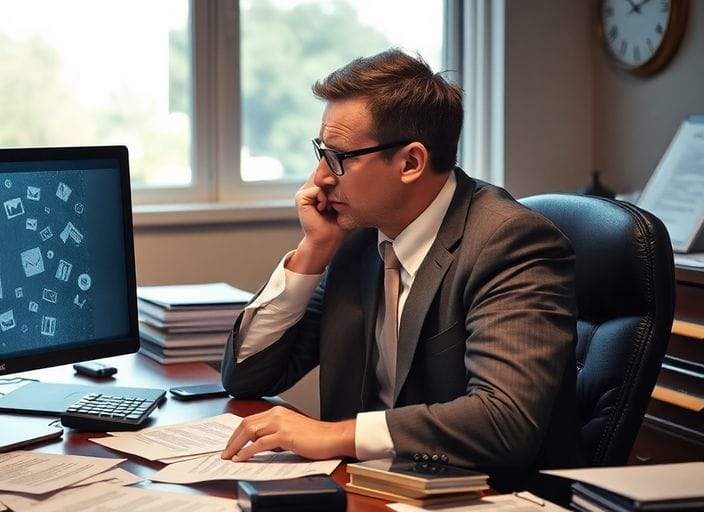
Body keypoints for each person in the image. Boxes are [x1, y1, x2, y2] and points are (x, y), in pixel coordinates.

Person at [219, 49, 583, 488]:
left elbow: (504, 420)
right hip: (369, 487)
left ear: (411, 162)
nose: (319, 178)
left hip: (478, 495)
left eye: (339, 158)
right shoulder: (358, 236)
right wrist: (312, 252)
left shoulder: (510, 243)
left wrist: (339, 434)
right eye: (321, 152)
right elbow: (247, 376)